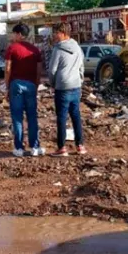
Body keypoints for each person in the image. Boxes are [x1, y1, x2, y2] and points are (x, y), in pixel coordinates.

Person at [4, 23, 44, 157]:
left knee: (17, 117)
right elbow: (39, 71)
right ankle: (35, 147)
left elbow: (8, 69)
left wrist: (7, 86)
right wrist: (36, 85)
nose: (13, 36)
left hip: (16, 85)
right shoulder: (35, 50)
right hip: (31, 85)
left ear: (19, 34)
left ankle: (19, 148)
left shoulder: (12, 48)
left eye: (14, 34)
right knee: (32, 117)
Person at [48, 22, 86, 157]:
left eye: (56, 32)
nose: (54, 35)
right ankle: (80, 146)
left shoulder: (58, 49)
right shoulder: (77, 47)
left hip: (62, 87)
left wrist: (52, 84)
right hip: (75, 86)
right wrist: (80, 80)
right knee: (76, 116)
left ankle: (62, 148)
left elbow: (52, 70)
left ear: (62, 33)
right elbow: (82, 66)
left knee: (62, 118)